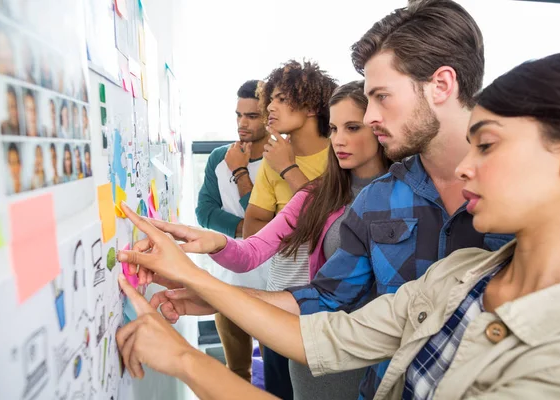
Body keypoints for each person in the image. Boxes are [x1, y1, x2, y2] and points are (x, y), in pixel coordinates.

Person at [117, 50, 560, 400]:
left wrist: (185, 359)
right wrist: (199, 279)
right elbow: (329, 326)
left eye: (487, 145)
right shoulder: (463, 274)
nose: (467, 167)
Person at [157, 81, 391, 399]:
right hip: (309, 352)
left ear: (380, 126)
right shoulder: (317, 193)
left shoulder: (401, 196)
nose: (340, 140)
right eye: (334, 128)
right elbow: (252, 249)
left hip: (368, 359)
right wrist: (216, 242)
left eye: (352, 127)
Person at [243, 60, 336, 399]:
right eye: (270, 99)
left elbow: (332, 219)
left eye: (281, 98)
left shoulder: (339, 154)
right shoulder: (274, 158)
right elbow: (252, 224)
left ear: (311, 105)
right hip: (278, 292)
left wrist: (287, 169)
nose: (270, 107)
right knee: (278, 388)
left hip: (323, 301)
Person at [194, 80, 271, 383]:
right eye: (238, 115)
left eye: (251, 116)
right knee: (237, 372)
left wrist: (240, 173)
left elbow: (275, 222)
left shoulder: (280, 161)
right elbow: (204, 211)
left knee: (278, 372)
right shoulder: (218, 158)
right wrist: (248, 230)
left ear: (269, 115)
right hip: (227, 283)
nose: (242, 123)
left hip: (272, 287)